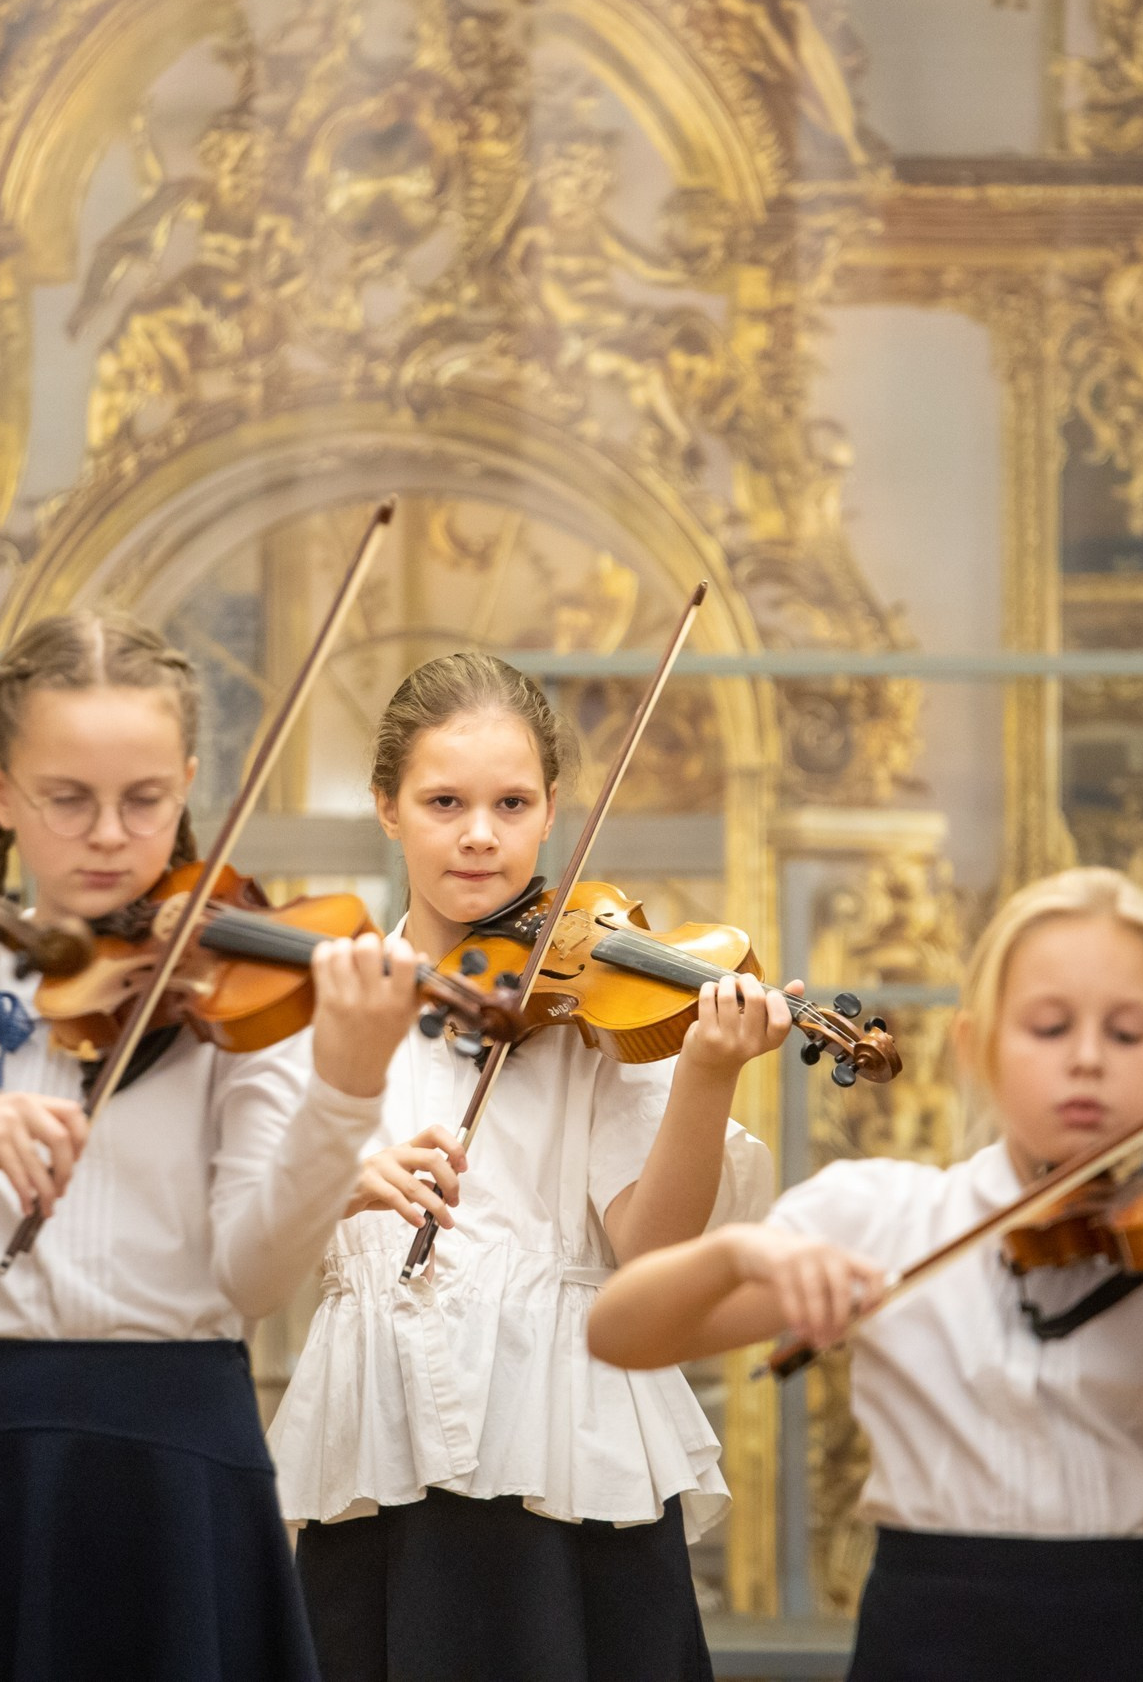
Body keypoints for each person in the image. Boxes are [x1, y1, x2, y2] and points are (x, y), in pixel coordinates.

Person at [0, 611, 425, 1682]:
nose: (108, 835)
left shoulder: (240, 994)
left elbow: (255, 1274)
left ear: (188, 783)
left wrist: (346, 1087)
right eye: (68, 800)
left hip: (177, 1459)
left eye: (144, 801)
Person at [589, 866, 1143, 1682]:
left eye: (1129, 1034)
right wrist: (737, 1252)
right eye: (1050, 1027)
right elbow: (617, 1332)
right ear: (975, 1047)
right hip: (933, 1627)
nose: (1089, 1059)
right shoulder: (885, 1214)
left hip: (1142, 1619)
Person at [271, 651, 783, 1682]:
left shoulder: (594, 1006)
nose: (478, 834)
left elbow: (647, 1247)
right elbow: (237, 1245)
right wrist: (336, 1173)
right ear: (386, 807)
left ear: (553, 810)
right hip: (390, 1456)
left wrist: (708, 1075)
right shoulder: (329, 1004)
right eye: (443, 801)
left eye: (511, 803)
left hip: (568, 1461)